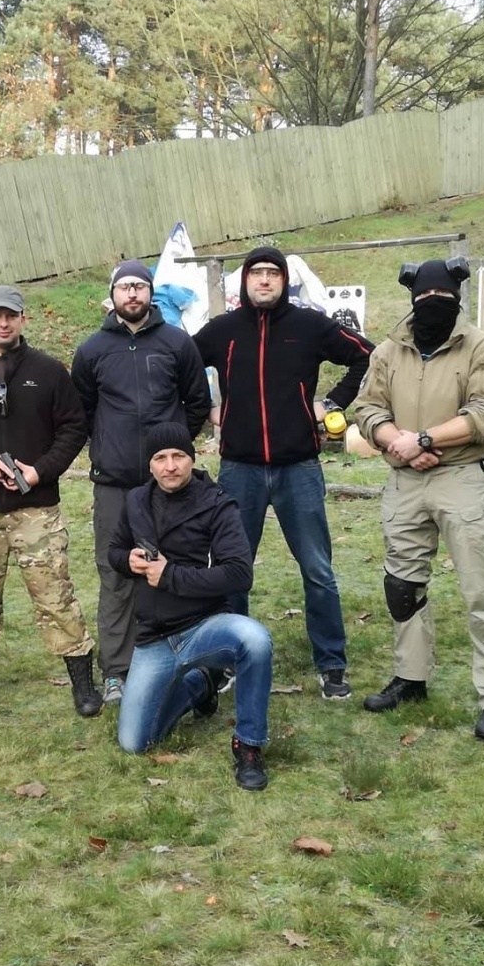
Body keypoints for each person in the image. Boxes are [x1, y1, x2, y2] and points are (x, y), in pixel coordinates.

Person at [193, 245, 372, 700]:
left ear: (284, 281)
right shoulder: (223, 331)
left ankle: (331, 664)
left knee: (317, 569)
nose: (265, 281)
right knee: (233, 568)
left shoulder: (309, 326)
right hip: (239, 470)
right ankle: (229, 659)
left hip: (299, 468)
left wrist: (331, 403)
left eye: (274, 274)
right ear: (245, 282)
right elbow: (182, 363)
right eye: (257, 274)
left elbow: (364, 355)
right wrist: (207, 409)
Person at [352, 258, 484, 740]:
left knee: (480, 588)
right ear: (412, 299)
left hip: (461, 476)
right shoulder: (388, 351)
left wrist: (424, 440)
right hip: (404, 479)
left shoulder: (483, 348)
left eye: (443, 298)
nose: (433, 305)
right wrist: (394, 441)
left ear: (458, 297)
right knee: (403, 586)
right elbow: (367, 406)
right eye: (425, 298)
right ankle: (412, 675)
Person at [0, 286, 99, 717]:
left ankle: (82, 683)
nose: (2, 323)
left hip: (37, 508)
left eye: (11, 315)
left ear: (24, 319)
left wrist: (39, 471)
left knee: (55, 594)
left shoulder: (48, 371)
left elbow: (73, 428)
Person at [72, 260, 212, 706]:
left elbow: (196, 402)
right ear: (112, 295)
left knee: (172, 569)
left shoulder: (176, 342)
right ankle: (116, 670)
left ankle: (178, 661)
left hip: (167, 486)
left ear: (151, 293)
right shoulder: (93, 350)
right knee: (116, 573)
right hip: (113, 483)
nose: (132, 294)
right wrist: (110, 447)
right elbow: (82, 411)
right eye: (124, 287)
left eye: (140, 286)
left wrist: (170, 452)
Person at [109, 422, 273, 790]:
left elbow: (238, 575)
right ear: (150, 465)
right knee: (135, 743)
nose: (170, 466)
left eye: (178, 456)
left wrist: (171, 576)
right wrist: (128, 560)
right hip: (154, 636)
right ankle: (199, 686)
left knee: (255, 640)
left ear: (192, 458)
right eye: (161, 458)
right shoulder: (135, 500)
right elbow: (114, 550)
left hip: (205, 627)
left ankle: (248, 746)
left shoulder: (217, 503)